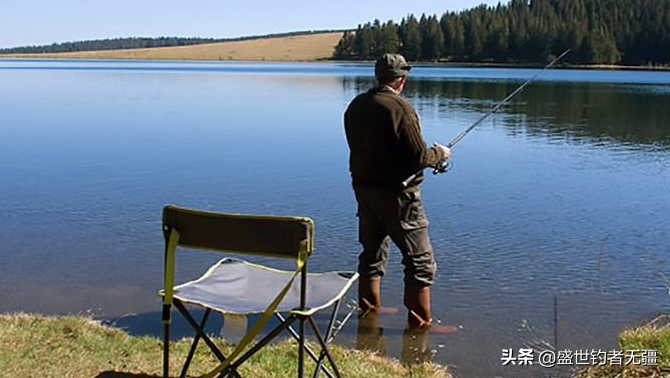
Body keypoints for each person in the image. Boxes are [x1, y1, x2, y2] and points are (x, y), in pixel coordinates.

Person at [344, 53, 455, 333]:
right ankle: (420, 327)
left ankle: (369, 312)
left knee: (371, 253)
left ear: (378, 76)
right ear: (402, 80)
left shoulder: (356, 105)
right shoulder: (401, 109)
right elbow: (419, 157)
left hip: (364, 191)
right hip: (398, 196)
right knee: (420, 261)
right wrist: (440, 154)